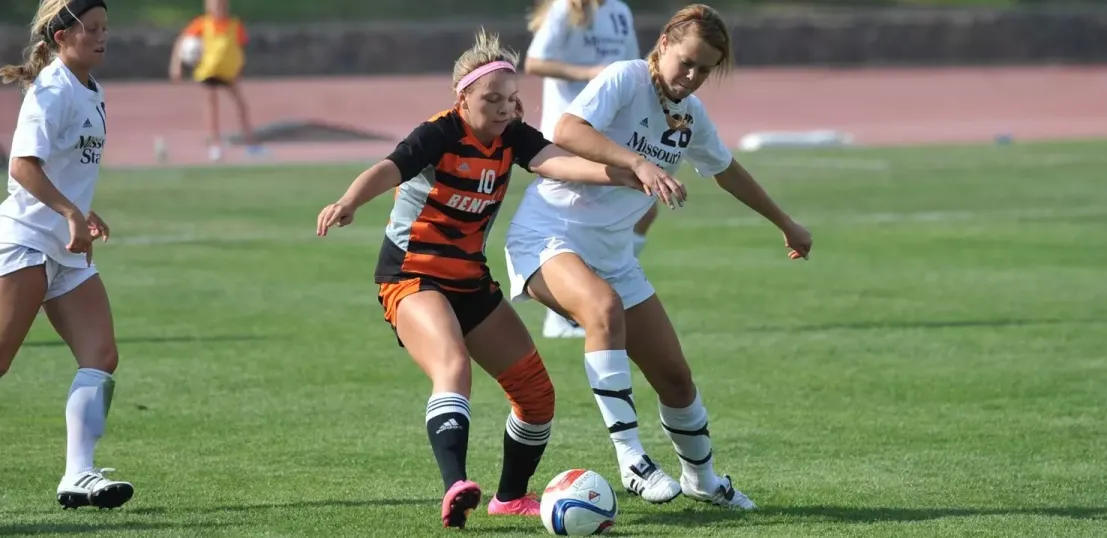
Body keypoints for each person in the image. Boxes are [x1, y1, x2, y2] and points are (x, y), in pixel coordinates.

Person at [314, 29, 679, 529]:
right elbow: (389, 168)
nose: (506, 108)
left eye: (512, 99)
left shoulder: (512, 137)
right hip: (412, 276)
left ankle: (509, 497)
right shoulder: (439, 133)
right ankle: (455, 487)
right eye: (493, 99)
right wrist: (349, 201)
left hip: (470, 280)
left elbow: (560, 164)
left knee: (536, 396)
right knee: (453, 365)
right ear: (462, 98)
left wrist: (629, 171)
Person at [504, 3, 813, 510]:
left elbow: (727, 170)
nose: (692, 77)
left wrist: (786, 223)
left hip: (614, 255)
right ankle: (632, 459)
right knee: (602, 309)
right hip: (548, 236)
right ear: (665, 42)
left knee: (675, 376)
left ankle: (704, 478)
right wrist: (638, 162)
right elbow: (565, 130)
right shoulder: (625, 77)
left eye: (706, 69)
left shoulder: (689, 115)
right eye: (687, 62)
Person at [0, 0, 135, 510]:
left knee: (101, 356)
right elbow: (23, 166)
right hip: (27, 240)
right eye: (92, 29)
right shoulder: (52, 90)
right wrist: (70, 213)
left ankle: (79, 474)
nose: (103, 37)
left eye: (106, 28)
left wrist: (84, 209)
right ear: (61, 37)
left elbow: (62, 167)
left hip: (67, 248)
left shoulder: (92, 91)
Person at [524, 0, 658, 339]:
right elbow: (534, 62)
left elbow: (634, 66)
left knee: (644, 209)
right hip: (569, 130)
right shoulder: (564, 9)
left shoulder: (620, 11)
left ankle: (602, 292)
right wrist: (587, 73)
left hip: (608, 129)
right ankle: (562, 313)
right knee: (576, 223)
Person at [168, 0, 264, 162]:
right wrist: (176, 66)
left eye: (221, 5)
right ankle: (215, 144)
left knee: (241, 104)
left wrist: (240, 68)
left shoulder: (234, 25)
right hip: (209, 70)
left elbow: (239, 47)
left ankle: (250, 142)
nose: (218, 8)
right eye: (214, 5)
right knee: (212, 106)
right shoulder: (201, 24)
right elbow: (181, 42)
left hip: (228, 72)